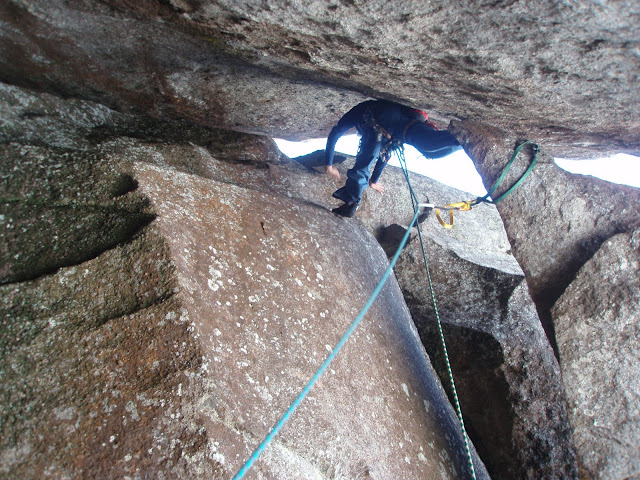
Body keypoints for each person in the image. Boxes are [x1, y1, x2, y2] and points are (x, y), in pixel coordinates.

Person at [325, 99, 463, 217]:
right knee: (430, 149)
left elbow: (335, 133)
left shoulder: (358, 113)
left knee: (368, 158)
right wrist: (373, 181)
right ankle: (462, 141)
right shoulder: (367, 124)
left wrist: (329, 164)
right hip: (398, 126)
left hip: (387, 120)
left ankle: (351, 202)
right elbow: (385, 154)